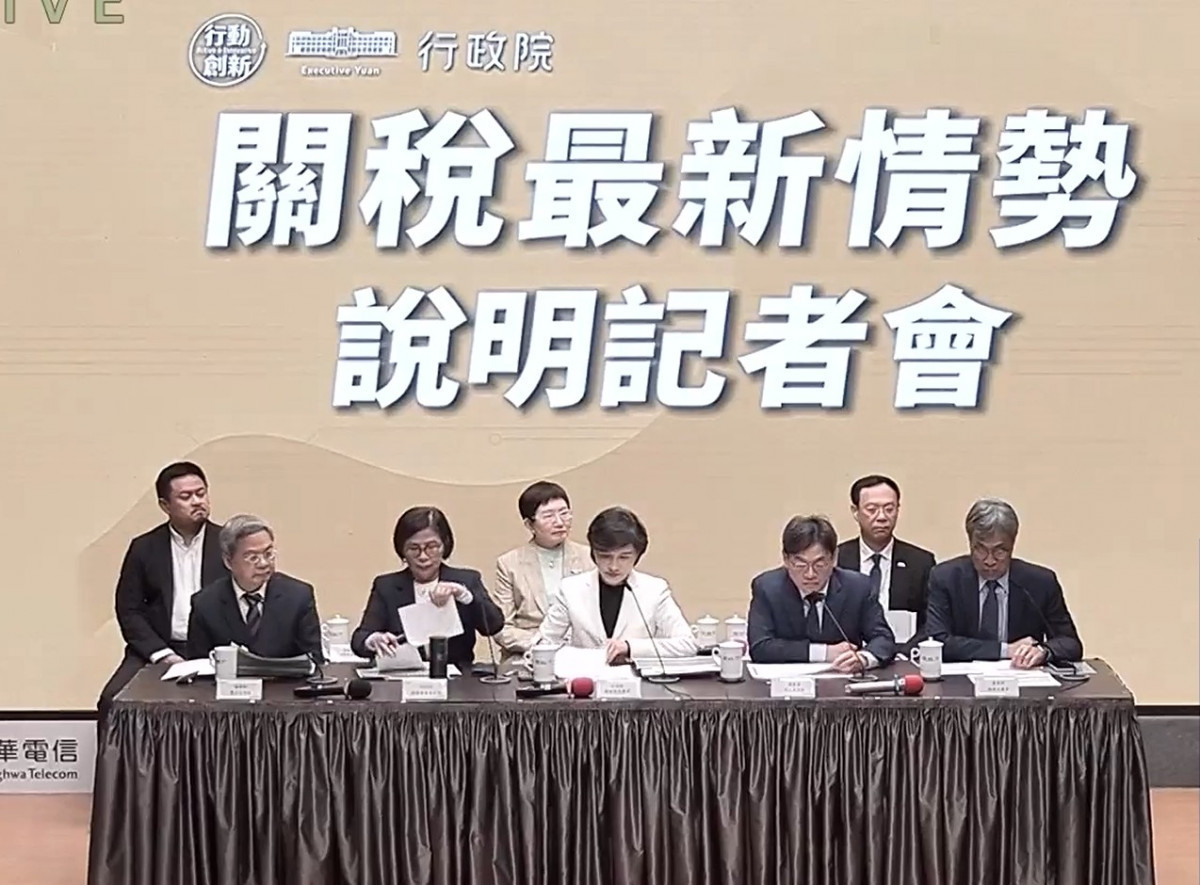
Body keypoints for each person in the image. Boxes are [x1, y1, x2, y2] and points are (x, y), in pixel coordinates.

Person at [98, 462, 226, 722]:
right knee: (112, 699)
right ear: (165, 505)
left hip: (216, 650)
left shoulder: (229, 544)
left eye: (201, 493)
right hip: (158, 648)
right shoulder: (144, 548)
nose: (197, 501)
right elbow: (129, 610)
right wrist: (163, 654)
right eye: (185, 496)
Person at [925, 498, 1083, 667]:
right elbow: (937, 641)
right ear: (970, 543)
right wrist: (1006, 650)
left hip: (1022, 677)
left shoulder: (1040, 583)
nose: (989, 560)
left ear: (1012, 546)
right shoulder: (946, 578)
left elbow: (1071, 643)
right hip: (961, 680)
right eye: (980, 550)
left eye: (999, 551)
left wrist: (1043, 651)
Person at [531, 506, 697, 663]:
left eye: (624, 557)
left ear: (637, 556)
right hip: (585, 679)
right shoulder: (571, 589)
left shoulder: (654, 590)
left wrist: (630, 647)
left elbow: (687, 644)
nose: (613, 566)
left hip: (636, 680)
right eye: (605, 556)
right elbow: (542, 644)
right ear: (593, 553)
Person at [350, 506, 504, 670]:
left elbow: (494, 626)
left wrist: (465, 596)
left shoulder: (466, 580)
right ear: (402, 550)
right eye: (413, 548)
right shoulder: (386, 586)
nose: (423, 556)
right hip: (403, 677)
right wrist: (373, 640)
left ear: (444, 546)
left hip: (457, 677)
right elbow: (359, 639)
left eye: (431, 547)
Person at [747, 515, 896, 671]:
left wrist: (864, 659)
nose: (810, 574)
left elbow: (883, 639)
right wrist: (824, 652)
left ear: (834, 558)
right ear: (786, 559)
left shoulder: (858, 588)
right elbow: (760, 647)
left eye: (820, 564)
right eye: (800, 564)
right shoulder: (767, 588)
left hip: (843, 680)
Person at [186, 514, 323, 661]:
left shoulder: (298, 597)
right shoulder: (206, 604)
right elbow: (198, 665)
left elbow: (314, 661)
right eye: (252, 557)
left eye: (268, 554)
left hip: (285, 677)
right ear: (228, 561)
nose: (264, 563)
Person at [493, 481, 591, 663]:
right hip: (526, 654)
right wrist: (541, 643)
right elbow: (501, 627)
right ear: (529, 524)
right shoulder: (509, 563)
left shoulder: (589, 557)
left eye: (564, 513)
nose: (559, 522)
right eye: (548, 516)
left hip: (580, 652)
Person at [835, 474, 936, 650]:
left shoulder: (921, 562)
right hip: (850, 654)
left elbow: (931, 620)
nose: (881, 517)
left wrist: (904, 653)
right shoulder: (837, 559)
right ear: (855, 512)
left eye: (889, 509)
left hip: (904, 654)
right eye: (872, 509)